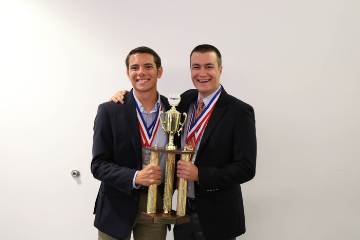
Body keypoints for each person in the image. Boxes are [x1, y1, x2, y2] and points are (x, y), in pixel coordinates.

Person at [110, 44, 257, 240]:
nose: (202, 73)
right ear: (190, 70)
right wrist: (125, 95)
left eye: (209, 66)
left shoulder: (239, 111)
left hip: (217, 216)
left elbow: (246, 168)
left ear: (220, 70)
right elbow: (148, 100)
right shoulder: (184, 101)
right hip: (181, 211)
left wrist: (200, 174)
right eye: (196, 67)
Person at [91, 46, 170, 240]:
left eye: (148, 66)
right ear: (128, 73)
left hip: (156, 204)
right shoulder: (110, 110)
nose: (141, 72)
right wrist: (136, 177)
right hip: (116, 202)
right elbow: (98, 165)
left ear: (159, 71)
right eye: (134, 68)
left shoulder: (175, 109)